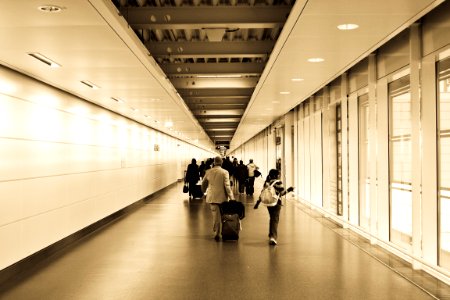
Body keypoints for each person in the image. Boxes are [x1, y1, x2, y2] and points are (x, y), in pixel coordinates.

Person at [254, 169, 294, 245]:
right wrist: (289, 189)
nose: (279, 175)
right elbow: (282, 193)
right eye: (279, 174)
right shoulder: (278, 182)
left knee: (272, 218)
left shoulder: (267, 182)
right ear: (276, 175)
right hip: (276, 203)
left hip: (269, 203)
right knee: (275, 220)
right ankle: (273, 237)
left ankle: (271, 234)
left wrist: (258, 203)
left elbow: (262, 193)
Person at [201, 156, 235, 241]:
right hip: (223, 197)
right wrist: (232, 198)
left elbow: (203, 183)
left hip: (212, 197)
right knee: (224, 215)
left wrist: (204, 192)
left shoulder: (208, 172)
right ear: (221, 163)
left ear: (214, 162)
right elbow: (227, 186)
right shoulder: (225, 172)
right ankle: (225, 231)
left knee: (215, 216)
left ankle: (217, 232)